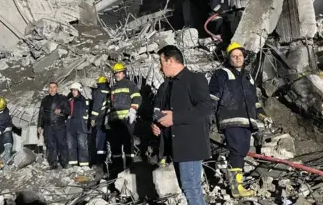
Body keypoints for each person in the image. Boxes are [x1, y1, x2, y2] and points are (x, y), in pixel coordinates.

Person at [209, 42, 273, 198]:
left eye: (240, 56)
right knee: (237, 150)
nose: (237, 58)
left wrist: (263, 116)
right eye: (234, 56)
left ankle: (237, 184)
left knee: (241, 151)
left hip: (247, 120)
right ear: (229, 58)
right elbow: (212, 97)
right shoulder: (221, 74)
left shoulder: (248, 76)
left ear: (244, 57)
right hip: (230, 119)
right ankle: (236, 187)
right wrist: (208, 118)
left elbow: (255, 102)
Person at [151, 45, 211, 205]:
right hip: (175, 145)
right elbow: (161, 110)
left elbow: (205, 108)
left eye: (161, 62)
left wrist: (175, 118)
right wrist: (157, 123)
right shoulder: (167, 86)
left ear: (170, 61)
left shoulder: (194, 79)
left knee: (191, 188)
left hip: (190, 144)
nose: (160, 67)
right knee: (187, 188)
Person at [108, 62, 141, 172]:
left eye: (119, 72)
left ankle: (130, 168)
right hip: (115, 122)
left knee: (128, 145)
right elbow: (111, 104)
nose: (117, 75)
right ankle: (116, 168)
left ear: (124, 73)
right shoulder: (113, 88)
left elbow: (137, 98)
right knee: (115, 146)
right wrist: (108, 119)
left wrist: (132, 110)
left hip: (127, 121)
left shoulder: (130, 85)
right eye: (115, 73)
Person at [37, 82, 71, 169]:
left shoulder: (62, 99)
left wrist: (61, 111)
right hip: (48, 126)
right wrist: (40, 125)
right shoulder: (45, 100)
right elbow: (41, 113)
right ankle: (53, 163)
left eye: (54, 87)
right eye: (50, 87)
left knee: (62, 144)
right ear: (48, 89)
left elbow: (68, 111)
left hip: (59, 125)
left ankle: (64, 162)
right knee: (50, 145)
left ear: (57, 89)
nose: (52, 89)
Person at [66, 82, 90, 167]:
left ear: (79, 90)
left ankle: (84, 165)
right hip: (71, 126)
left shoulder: (84, 101)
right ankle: (73, 164)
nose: (73, 92)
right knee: (70, 145)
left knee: (82, 145)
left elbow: (87, 113)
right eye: (72, 90)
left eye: (75, 90)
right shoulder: (69, 101)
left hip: (81, 126)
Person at [90, 75, 110, 171]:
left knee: (100, 143)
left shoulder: (99, 92)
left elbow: (97, 106)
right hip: (109, 120)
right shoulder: (109, 90)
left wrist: (93, 118)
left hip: (100, 121)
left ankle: (100, 165)